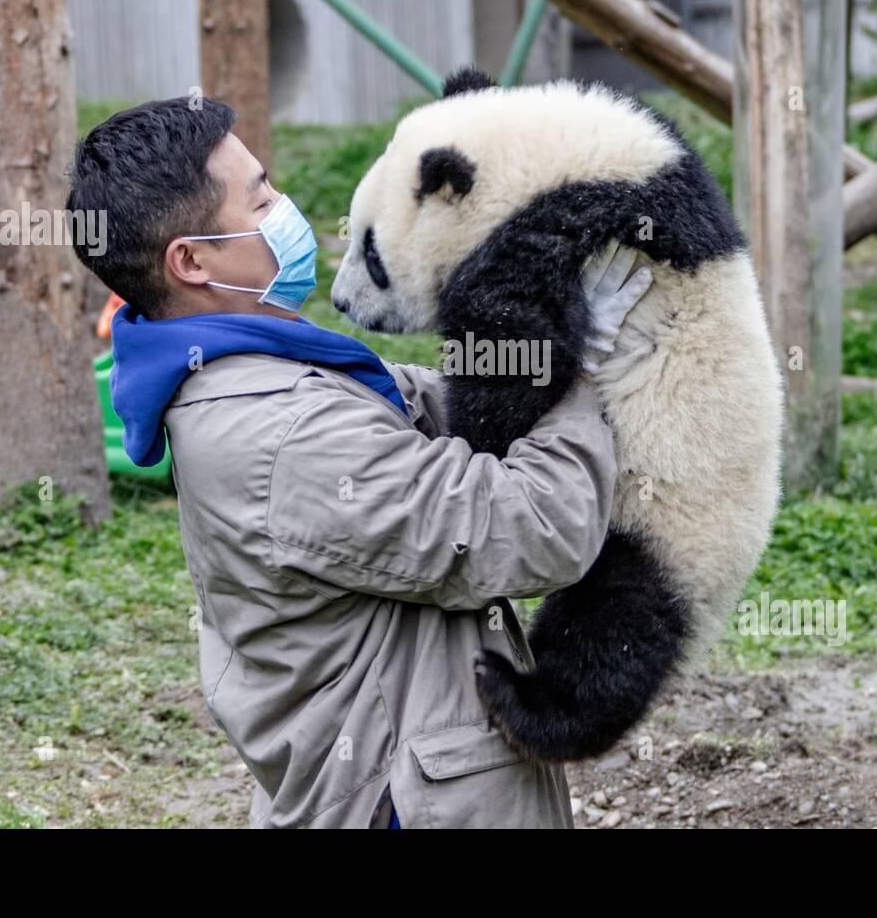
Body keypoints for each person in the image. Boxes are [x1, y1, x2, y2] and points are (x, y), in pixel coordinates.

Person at [66, 96, 651, 829]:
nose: (289, 209)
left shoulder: (253, 362)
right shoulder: (283, 433)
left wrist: (523, 352)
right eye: (262, 197)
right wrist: (579, 368)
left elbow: (431, 408)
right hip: (407, 804)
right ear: (190, 259)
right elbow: (538, 526)